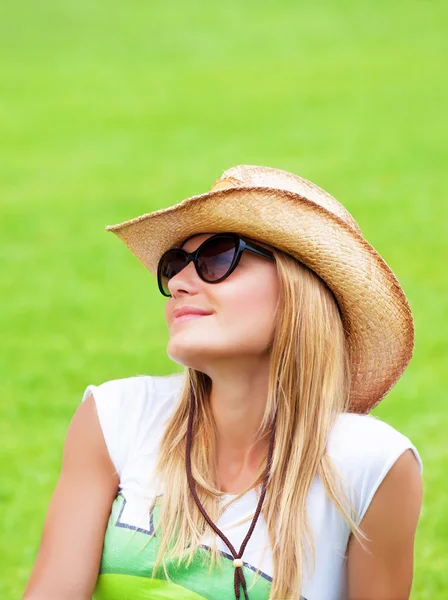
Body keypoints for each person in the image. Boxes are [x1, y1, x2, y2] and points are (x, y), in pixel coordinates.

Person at [22, 165, 423, 600]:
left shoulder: (372, 465)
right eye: (174, 265)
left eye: (217, 258)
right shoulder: (116, 417)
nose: (177, 282)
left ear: (298, 289)